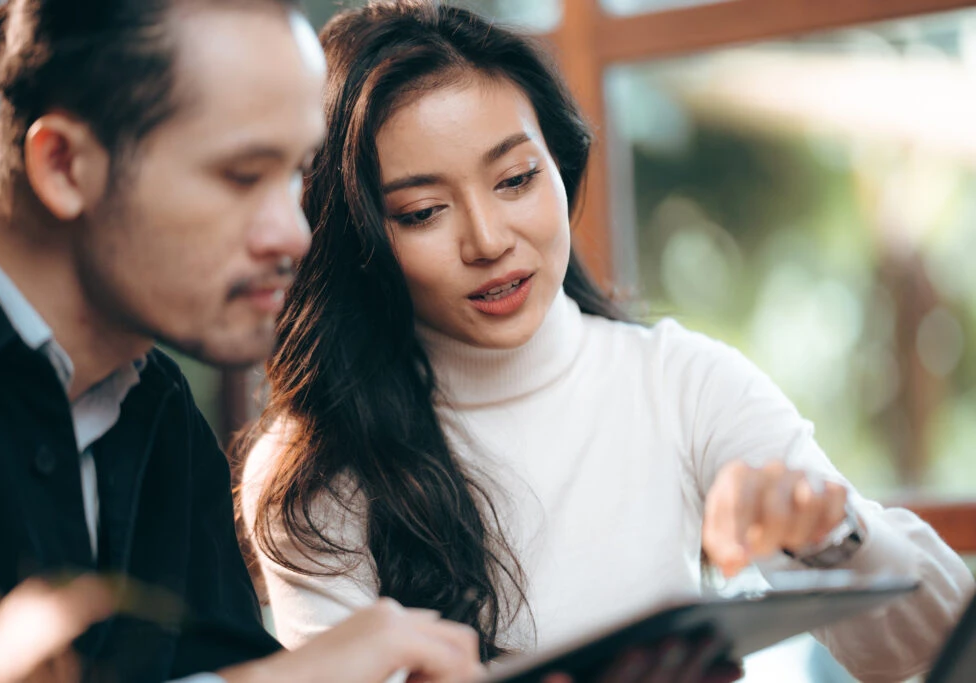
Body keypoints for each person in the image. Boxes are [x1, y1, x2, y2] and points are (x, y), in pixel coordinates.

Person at [239, 1, 975, 681]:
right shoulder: (311, 473)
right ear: (358, 238)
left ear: (558, 166)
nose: (490, 240)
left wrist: (832, 528)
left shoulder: (681, 382)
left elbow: (929, 641)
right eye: (424, 211)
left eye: (516, 178)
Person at [0, 0, 482, 681]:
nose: (294, 233)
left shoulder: (157, 412)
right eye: (241, 175)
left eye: (296, 173)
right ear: (64, 165)